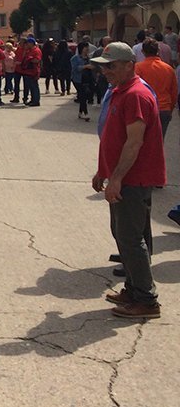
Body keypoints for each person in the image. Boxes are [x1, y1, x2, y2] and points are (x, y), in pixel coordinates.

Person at [91, 41, 164, 319]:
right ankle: (134, 290)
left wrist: (117, 178)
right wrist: (103, 171)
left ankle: (147, 300)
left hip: (134, 179)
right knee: (125, 235)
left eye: (111, 66)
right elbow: (114, 136)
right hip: (124, 178)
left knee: (131, 239)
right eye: (103, 67)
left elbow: (134, 143)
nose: (105, 71)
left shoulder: (136, 95)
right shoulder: (121, 91)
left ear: (129, 65)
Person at [135, 38, 178, 136]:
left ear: (142, 51)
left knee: (144, 140)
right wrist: (170, 110)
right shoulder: (168, 69)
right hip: (164, 109)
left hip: (145, 110)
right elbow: (174, 93)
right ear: (158, 51)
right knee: (159, 140)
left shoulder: (138, 68)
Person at [14, 36, 42, 106]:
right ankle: (32, 100)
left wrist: (29, 60)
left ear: (31, 43)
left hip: (33, 71)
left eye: (27, 43)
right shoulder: (29, 50)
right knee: (31, 87)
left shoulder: (36, 50)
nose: (26, 45)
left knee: (34, 87)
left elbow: (37, 60)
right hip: (27, 71)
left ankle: (36, 101)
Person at [71, 42, 92, 121]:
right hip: (78, 79)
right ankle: (85, 113)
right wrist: (85, 66)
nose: (87, 49)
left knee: (84, 96)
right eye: (85, 47)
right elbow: (75, 69)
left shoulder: (88, 58)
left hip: (86, 79)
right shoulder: (75, 58)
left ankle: (80, 112)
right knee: (82, 95)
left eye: (87, 47)